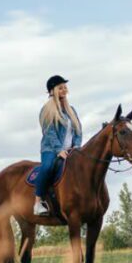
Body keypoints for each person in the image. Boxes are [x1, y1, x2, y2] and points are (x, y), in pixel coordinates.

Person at [34, 75, 82, 215]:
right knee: (47, 167)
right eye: (60, 87)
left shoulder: (71, 110)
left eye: (65, 87)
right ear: (52, 91)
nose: (64, 89)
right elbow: (50, 133)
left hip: (71, 150)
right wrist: (59, 150)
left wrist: (77, 146)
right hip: (51, 149)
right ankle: (38, 203)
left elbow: (78, 130)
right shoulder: (47, 110)